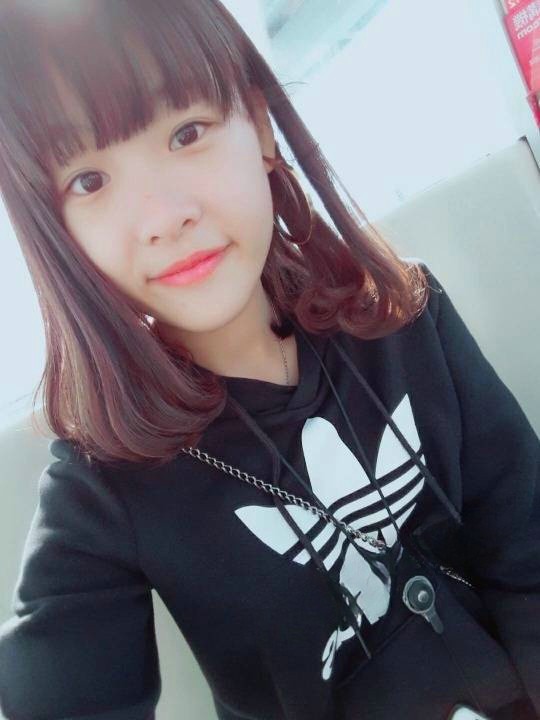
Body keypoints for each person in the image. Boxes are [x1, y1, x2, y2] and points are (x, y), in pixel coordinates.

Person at [0, 2, 538, 719]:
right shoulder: (101, 485)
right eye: (89, 181)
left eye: (186, 133)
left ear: (257, 126)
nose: (164, 217)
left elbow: (526, 543)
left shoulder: (400, 309)